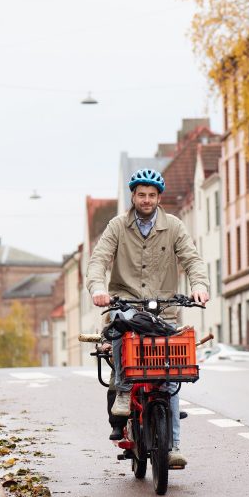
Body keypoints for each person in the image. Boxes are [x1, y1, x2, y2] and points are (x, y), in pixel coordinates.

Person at [86, 168, 210, 468]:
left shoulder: (175, 227)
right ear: (133, 196)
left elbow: (192, 260)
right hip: (126, 302)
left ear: (158, 198)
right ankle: (124, 391)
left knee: (169, 378)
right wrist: (99, 289)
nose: (146, 200)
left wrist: (199, 287)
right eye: (141, 194)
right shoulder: (117, 226)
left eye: (151, 195)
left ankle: (174, 446)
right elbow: (99, 260)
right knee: (119, 327)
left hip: (162, 309)